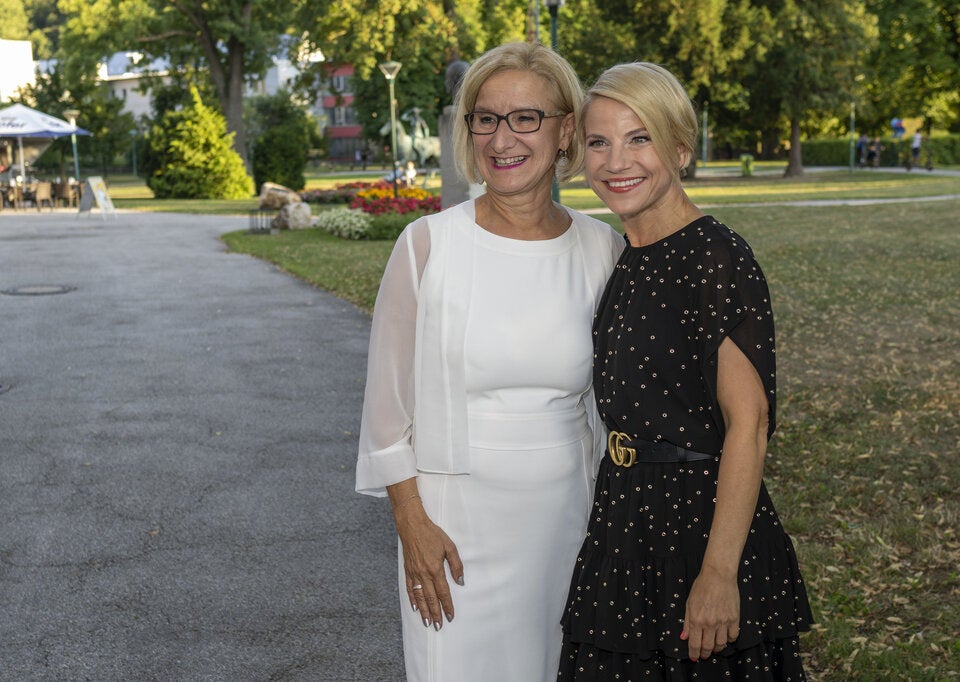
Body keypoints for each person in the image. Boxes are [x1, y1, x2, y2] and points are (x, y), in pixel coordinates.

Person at [356, 41, 624, 682]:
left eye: (526, 118)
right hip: (452, 532)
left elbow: (616, 409)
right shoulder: (427, 247)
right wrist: (410, 525)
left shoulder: (603, 250)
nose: (503, 138)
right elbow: (386, 412)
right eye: (486, 117)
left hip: (568, 523)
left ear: (565, 131)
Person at [557, 62, 813, 680]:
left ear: (680, 147)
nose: (617, 161)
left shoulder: (714, 257)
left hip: (699, 528)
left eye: (639, 137)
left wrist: (720, 573)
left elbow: (748, 427)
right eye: (600, 142)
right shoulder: (626, 258)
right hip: (623, 526)